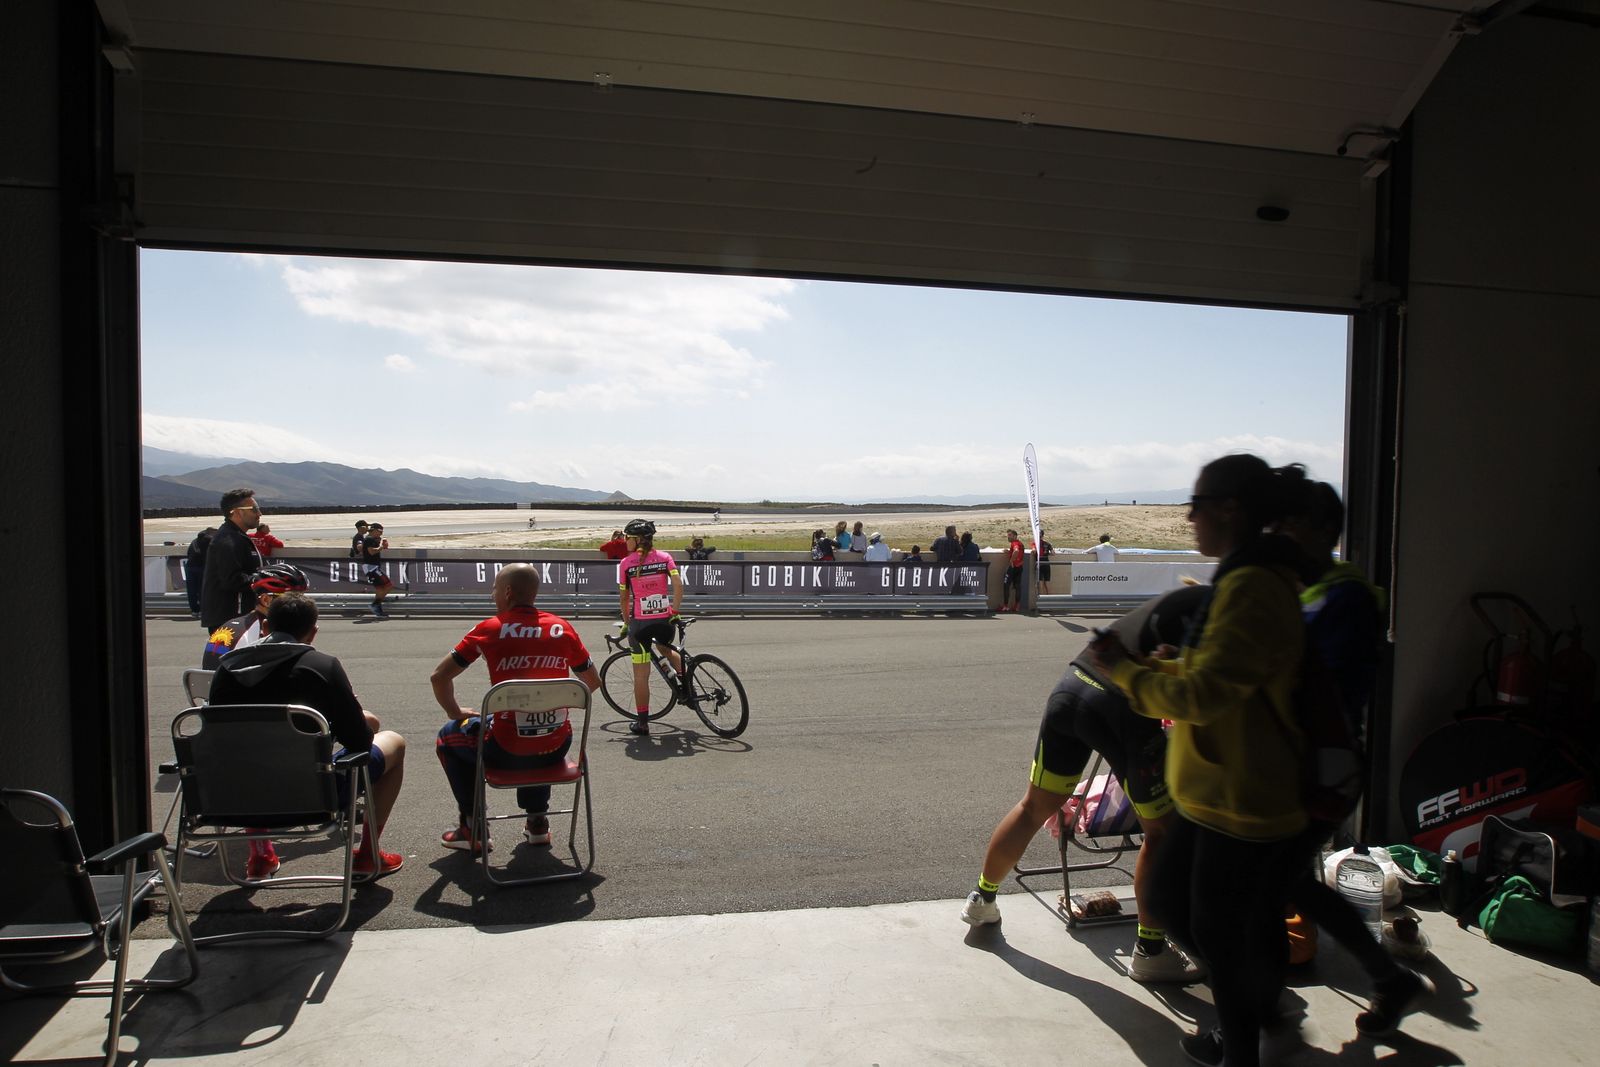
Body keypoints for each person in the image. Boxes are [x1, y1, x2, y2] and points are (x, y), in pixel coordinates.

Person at [1090, 455, 1316, 1067]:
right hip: (1219, 794)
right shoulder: (1249, 580)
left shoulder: (1252, 588)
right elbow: (1219, 678)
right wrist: (1162, 665)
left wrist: (1128, 670)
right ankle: (1263, 1022)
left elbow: (1208, 696)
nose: (1188, 519)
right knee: (1205, 919)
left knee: (1209, 926)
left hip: (1240, 802)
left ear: (1228, 510)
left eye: (1195, 507)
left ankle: (1252, 1039)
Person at [963, 586, 1209, 986]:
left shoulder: (1189, 596)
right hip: (1121, 702)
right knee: (1161, 832)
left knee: (1032, 808)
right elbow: (1195, 697)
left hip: (1072, 684)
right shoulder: (1232, 614)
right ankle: (1150, 950)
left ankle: (982, 898)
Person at [1276, 480, 1430, 1036]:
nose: (1279, 535)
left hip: (1324, 766)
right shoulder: (1308, 590)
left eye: (1289, 524)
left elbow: (1318, 685)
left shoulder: (1346, 597)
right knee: (1285, 880)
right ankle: (1388, 980)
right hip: (1302, 762)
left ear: (1321, 530)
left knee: (1264, 878)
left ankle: (1259, 1017)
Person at [208, 592, 407, 879]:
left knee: (252, 756)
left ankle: (260, 854)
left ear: (265, 628)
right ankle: (367, 852)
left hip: (236, 797)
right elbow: (360, 741)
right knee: (394, 743)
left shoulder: (226, 668)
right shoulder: (321, 667)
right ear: (312, 633)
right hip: (312, 796)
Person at [430, 563, 600, 852]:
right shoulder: (562, 628)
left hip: (505, 748)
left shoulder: (489, 629)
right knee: (538, 733)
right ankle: (537, 821)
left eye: (494, 589)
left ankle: (473, 827)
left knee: (448, 736)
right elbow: (592, 682)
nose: (493, 595)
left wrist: (455, 712)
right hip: (556, 744)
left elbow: (439, 676)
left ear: (507, 592)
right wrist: (547, 702)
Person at [617, 519, 684, 736]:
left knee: (641, 675)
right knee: (666, 648)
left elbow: (624, 598)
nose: (625, 541)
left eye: (627, 537)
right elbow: (678, 584)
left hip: (640, 625)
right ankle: (687, 684)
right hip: (665, 621)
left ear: (636, 540)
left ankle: (642, 723)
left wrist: (627, 623)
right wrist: (674, 610)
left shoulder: (626, 563)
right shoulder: (665, 558)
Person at [202, 563, 309, 669]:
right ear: (266, 600)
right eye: (293, 599)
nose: (302, 604)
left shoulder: (230, 625)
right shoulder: (265, 634)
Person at [200, 488, 264, 633]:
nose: (259, 514)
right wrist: (263, 580)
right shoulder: (227, 540)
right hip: (230, 620)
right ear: (237, 512)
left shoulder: (236, 537)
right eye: (254, 509)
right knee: (230, 656)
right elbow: (231, 579)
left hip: (237, 617)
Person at [362, 522, 395, 618]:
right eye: (380, 531)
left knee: (380, 588)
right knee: (388, 586)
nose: (381, 533)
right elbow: (371, 552)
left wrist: (381, 544)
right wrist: (381, 547)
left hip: (372, 567)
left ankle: (377, 606)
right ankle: (375, 604)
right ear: (375, 530)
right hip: (371, 567)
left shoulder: (371, 539)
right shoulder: (369, 539)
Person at [184, 527, 215, 618]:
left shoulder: (194, 541)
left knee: (192, 591)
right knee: (203, 590)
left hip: (190, 567)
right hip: (203, 568)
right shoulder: (210, 541)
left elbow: (189, 553)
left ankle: (194, 610)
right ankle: (203, 610)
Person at [999, 528, 1025, 612]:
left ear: (1015, 536)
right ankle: (1017, 606)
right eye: (1008, 535)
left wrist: (1011, 561)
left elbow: (1016, 551)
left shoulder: (1015, 543)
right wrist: (1009, 552)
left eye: (1010, 535)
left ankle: (1005, 606)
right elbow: (1017, 552)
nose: (1008, 537)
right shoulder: (1021, 543)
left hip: (1013, 567)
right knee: (1017, 586)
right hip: (1019, 567)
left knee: (1006, 585)